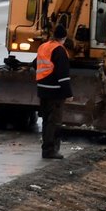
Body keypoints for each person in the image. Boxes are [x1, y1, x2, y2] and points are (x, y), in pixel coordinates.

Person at [35, 24, 72, 159]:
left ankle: (46, 148)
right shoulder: (60, 51)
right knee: (55, 122)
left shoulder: (44, 47)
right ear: (64, 37)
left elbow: (36, 64)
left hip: (42, 91)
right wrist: (68, 93)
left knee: (46, 121)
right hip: (55, 93)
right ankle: (50, 150)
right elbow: (63, 76)